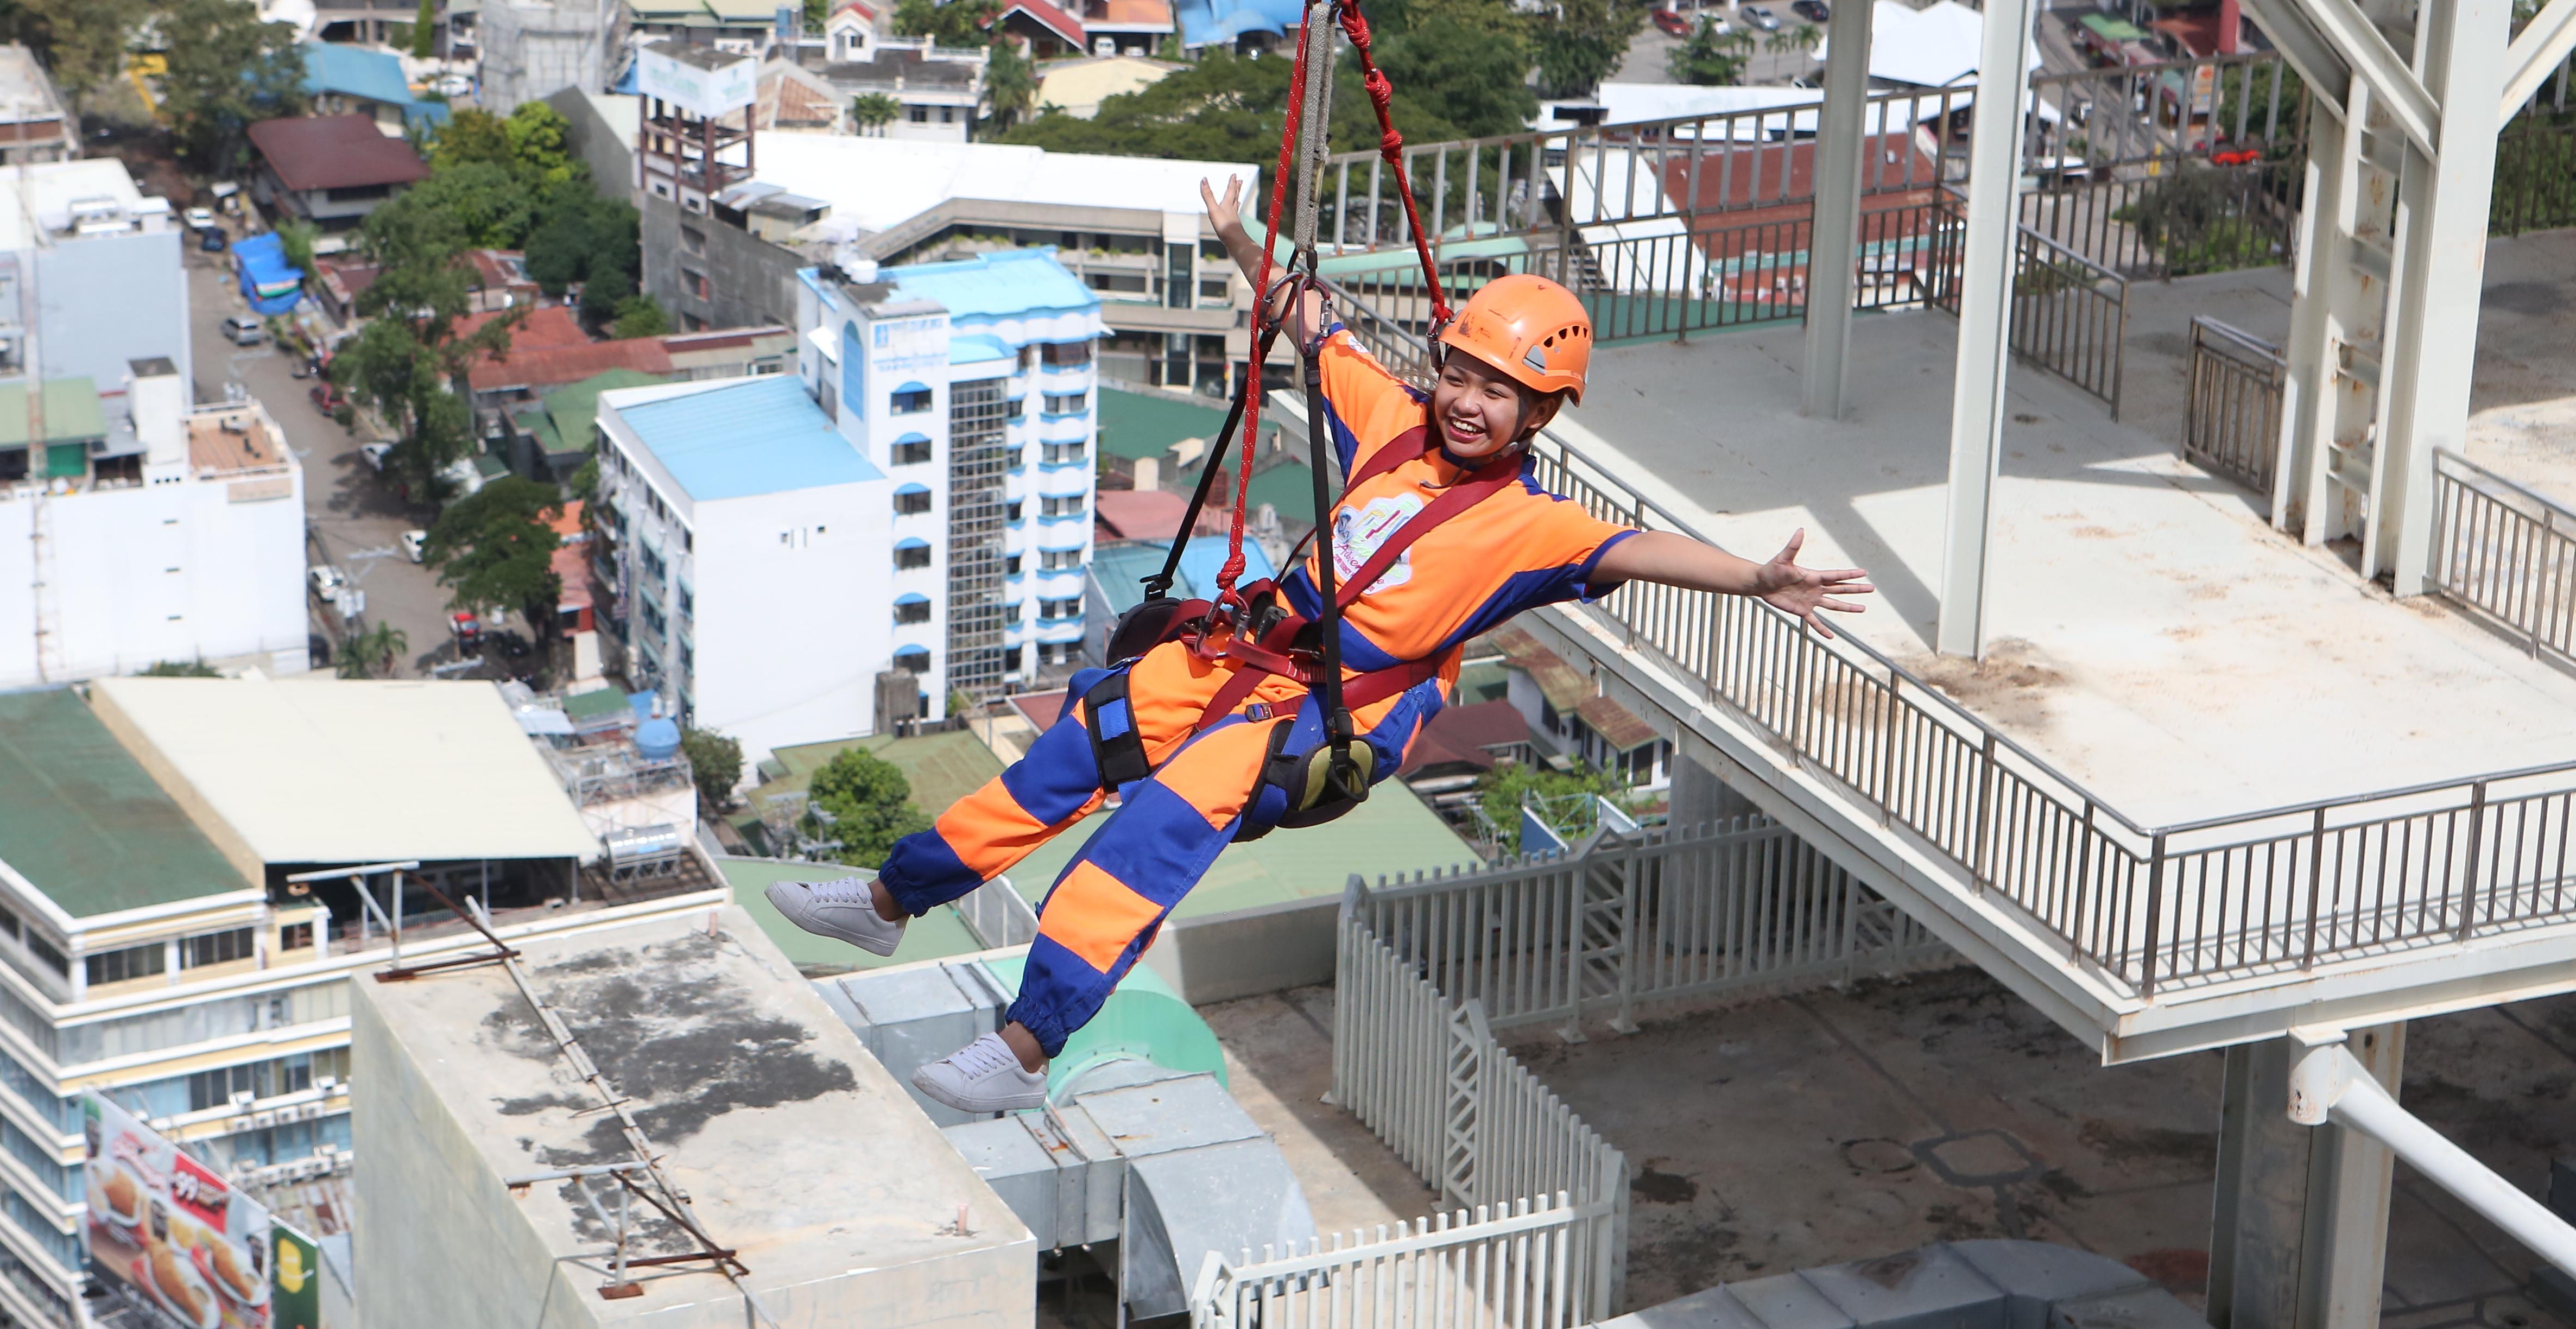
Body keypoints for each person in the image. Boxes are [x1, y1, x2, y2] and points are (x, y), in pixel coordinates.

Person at [771, 177, 1872, 1115]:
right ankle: (885, 904)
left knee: (1153, 831)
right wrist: (1244, 241)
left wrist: (1757, 578)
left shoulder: (1537, 527)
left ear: (1541, 416)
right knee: (1073, 752)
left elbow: (1639, 551)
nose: (1470, 403)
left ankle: (1025, 1046)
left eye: (1502, 391)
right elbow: (1314, 323)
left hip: (1334, 710)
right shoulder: (1397, 422)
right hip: (1246, 657)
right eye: (1464, 375)